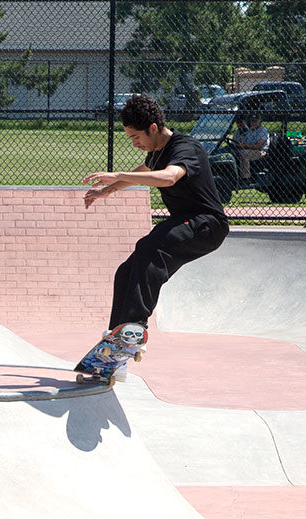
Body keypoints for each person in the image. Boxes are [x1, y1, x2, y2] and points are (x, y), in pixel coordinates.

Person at [75, 93, 229, 383]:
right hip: (185, 222)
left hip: (207, 224)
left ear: (154, 128)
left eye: (136, 137)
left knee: (150, 248)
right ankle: (115, 352)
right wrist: (107, 191)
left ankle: (134, 329)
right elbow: (144, 171)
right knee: (126, 272)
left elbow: (169, 177)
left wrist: (116, 174)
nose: (134, 143)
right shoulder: (156, 152)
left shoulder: (186, 148)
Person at [235, 113, 270, 180]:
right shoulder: (250, 130)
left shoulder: (262, 130)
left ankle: (246, 177)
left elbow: (258, 146)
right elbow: (245, 141)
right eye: (252, 121)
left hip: (260, 151)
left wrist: (245, 146)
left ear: (259, 121)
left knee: (244, 153)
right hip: (250, 149)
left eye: (255, 121)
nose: (253, 123)